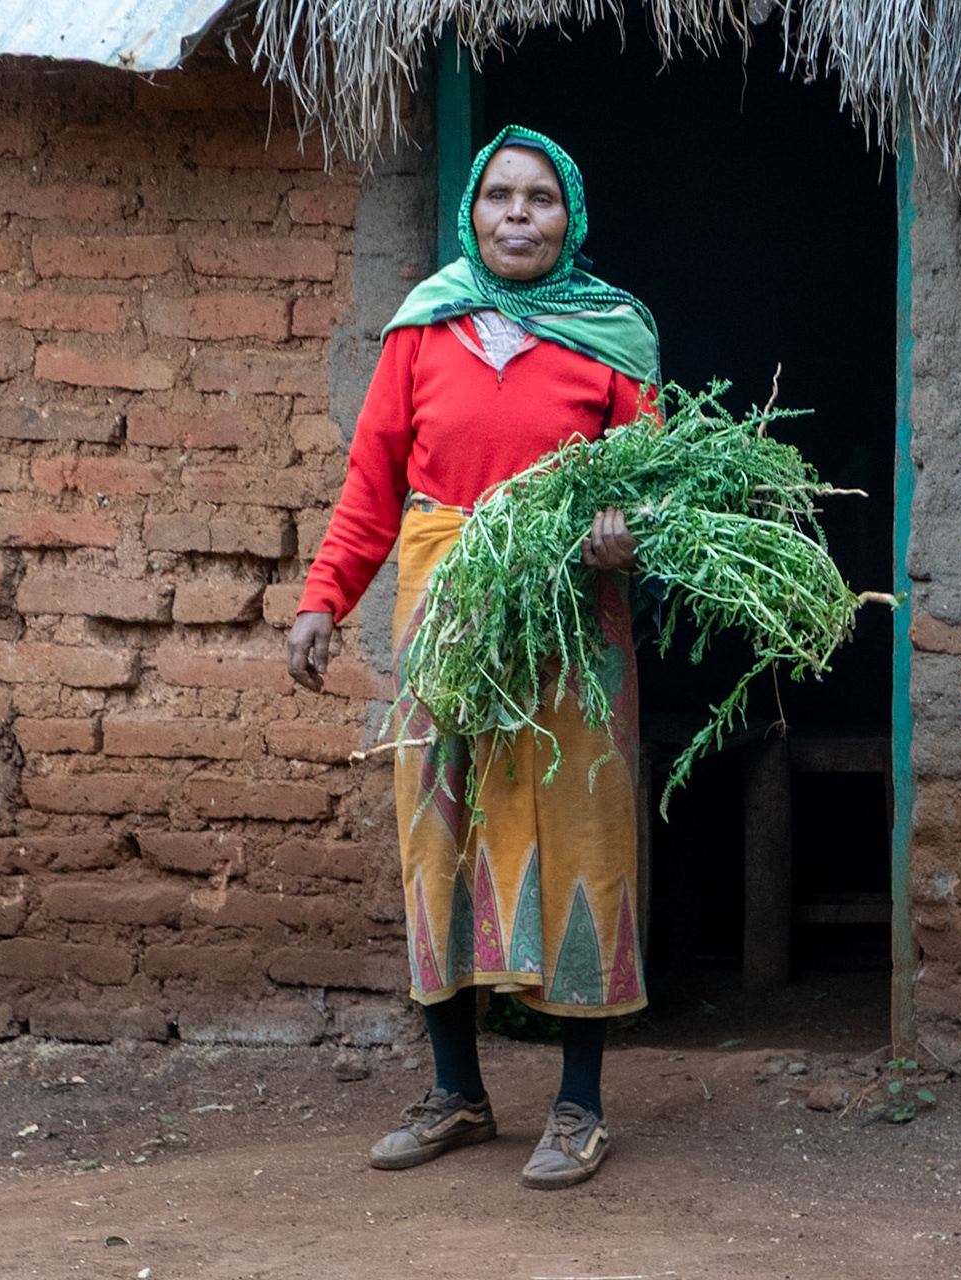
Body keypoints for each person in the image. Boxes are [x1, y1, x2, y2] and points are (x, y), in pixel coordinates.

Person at [285, 125, 659, 1190]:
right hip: (445, 603)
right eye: (499, 196)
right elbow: (372, 483)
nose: (517, 215)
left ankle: (579, 1107)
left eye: (540, 199)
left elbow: (656, 480)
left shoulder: (613, 336)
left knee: (578, 829)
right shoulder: (424, 328)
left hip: (570, 617)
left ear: (570, 216)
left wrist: (624, 527)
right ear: (473, 210)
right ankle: (455, 1090)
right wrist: (322, 602)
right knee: (437, 824)